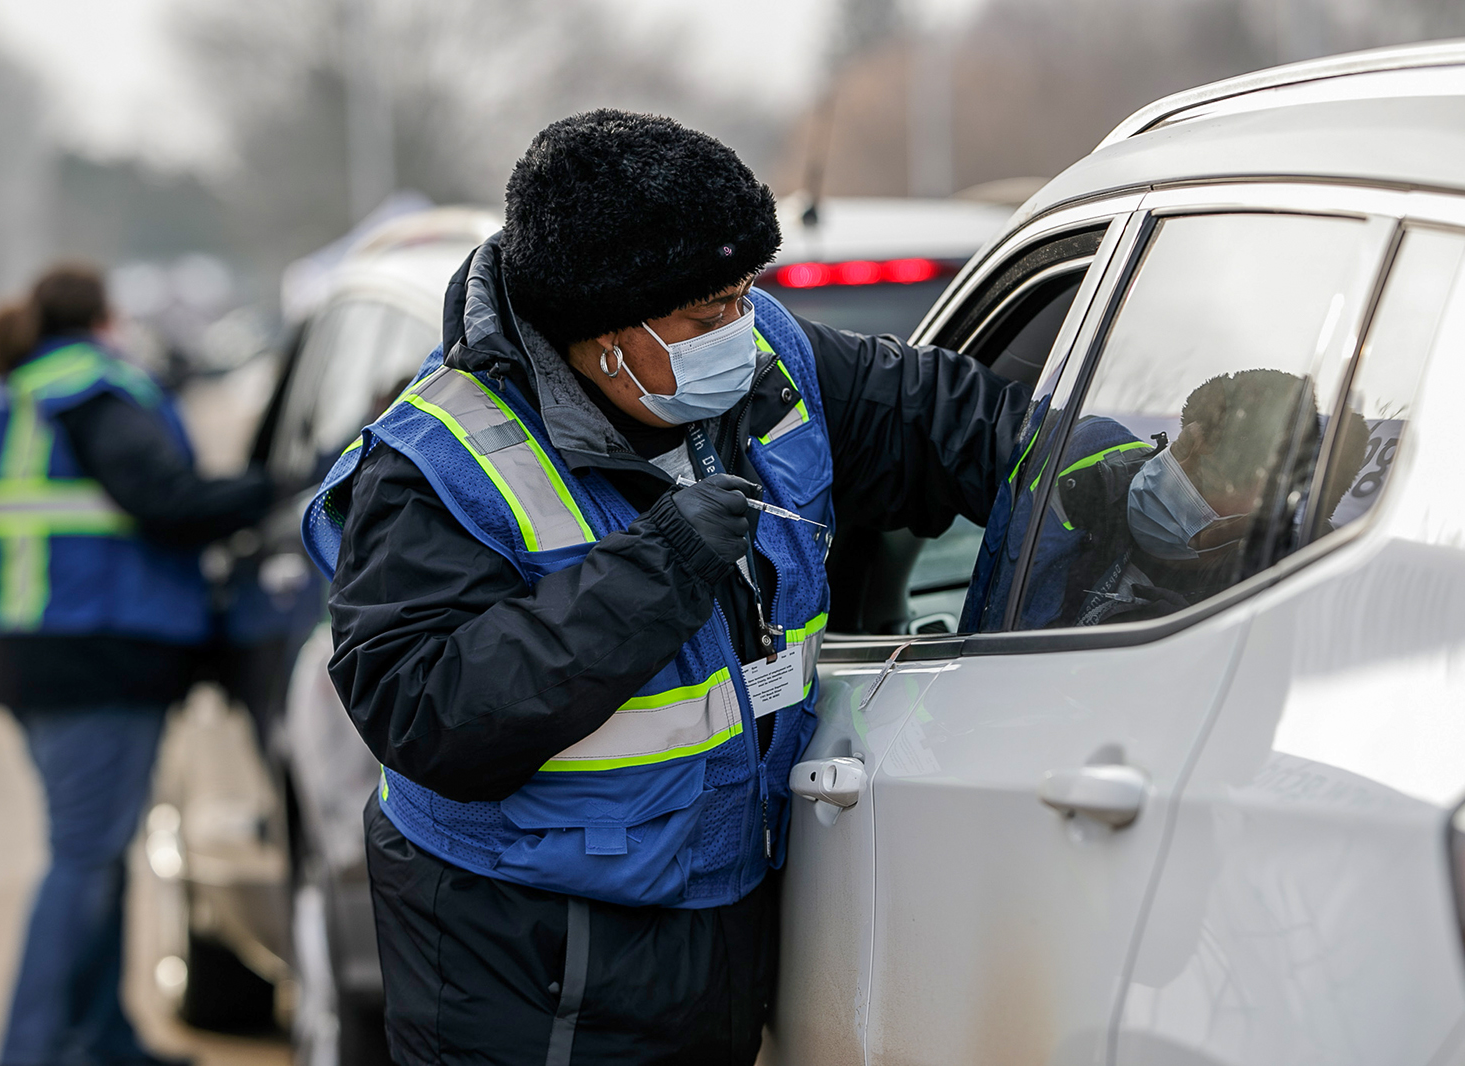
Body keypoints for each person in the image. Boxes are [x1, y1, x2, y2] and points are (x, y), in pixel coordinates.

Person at [301, 110, 1027, 1065]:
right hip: (530, 967)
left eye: (743, 295)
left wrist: (1148, 485)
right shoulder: (438, 464)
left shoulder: (765, 361)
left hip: (710, 927)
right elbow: (426, 712)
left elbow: (956, 425)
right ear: (604, 335)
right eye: (705, 316)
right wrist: (663, 566)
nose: (741, 326)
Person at [0, 264, 275, 1066]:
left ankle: (101, 1041)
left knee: (96, 852)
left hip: (37, 646)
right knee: (83, 855)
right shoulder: (92, 387)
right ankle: (30, 1050)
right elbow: (166, 500)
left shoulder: (25, 392)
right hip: (96, 649)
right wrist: (275, 488)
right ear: (106, 317)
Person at [1020, 368, 1368, 628]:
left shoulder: (1274, 617)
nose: (1174, 473)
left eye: (1209, 475)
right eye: (1180, 449)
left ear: (1268, 507)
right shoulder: (1091, 463)